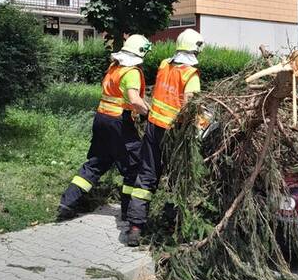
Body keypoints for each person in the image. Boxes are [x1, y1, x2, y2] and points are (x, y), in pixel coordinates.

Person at [56, 34, 152, 222]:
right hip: (119, 123)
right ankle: (127, 212)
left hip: (101, 119)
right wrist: (148, 112)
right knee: (133, 165)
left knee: (96, 163)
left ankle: (67, 204)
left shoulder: (114, 67)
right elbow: (133, 100)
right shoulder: (131, 71)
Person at [125, 29, 204, 246]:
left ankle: (135, 226)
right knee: (176, 178)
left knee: (147, 174)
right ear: (196, 49)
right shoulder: (191, 75)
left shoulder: (163, 64)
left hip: (153, 126)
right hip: (175, 134)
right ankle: (170, 223)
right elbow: (190, 107)